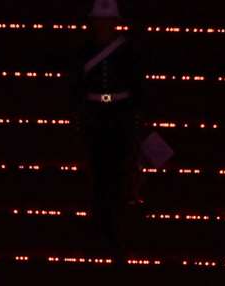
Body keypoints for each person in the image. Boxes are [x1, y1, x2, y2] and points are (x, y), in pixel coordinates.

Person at [73, 0, 144, 251]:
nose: (103, 26)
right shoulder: (84, 51)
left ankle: (115, 227)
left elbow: (137, 86)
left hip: (119, 115)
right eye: (100, 21)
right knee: (98, 172)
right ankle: (100, 226)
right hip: (95, 115)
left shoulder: (128, 51)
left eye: (107, 21)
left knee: (119, 172)